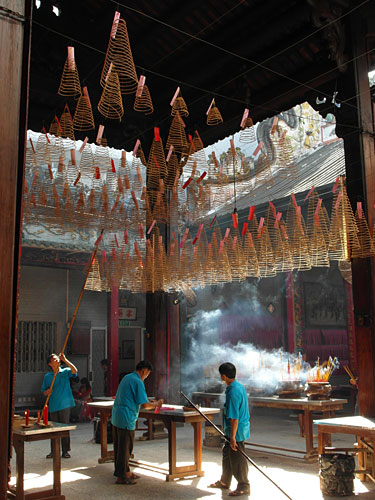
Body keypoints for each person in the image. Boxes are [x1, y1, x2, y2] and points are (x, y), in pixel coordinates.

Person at [111, 360, 163, 485]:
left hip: (117, 416)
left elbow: (139, 398)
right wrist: (157, 404)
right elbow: (145, 405)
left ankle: (125, 472)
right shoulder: (138, 381)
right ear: (144, 370)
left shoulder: (128, 377)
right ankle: (122, 476)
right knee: (125, 448)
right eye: (148, 374)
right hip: (126, 417)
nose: (147, 376)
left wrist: (149, 400)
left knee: (119, 447)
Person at [209, 362, 250, 497]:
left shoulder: (233, 392)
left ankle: (244, 485)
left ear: (223, 376)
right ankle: (225, 481)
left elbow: (234, 418)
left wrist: (232, 437)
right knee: (227, 454)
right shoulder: (237, 386)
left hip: (236, 431)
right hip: (231, 430)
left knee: (237, 459)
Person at [41, 353, 78, 459]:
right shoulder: (48, 376)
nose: (57, 359)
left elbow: (75, 371)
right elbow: (43, 391)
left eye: (57, 358)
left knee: (64, 427)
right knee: (53, 429)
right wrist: (47, 392)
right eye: (54, 359)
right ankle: (53, 451)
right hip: (53, 404)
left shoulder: (65, 371)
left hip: (65, 404)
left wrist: (65, 360)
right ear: (50, 363)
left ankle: (65, 451)